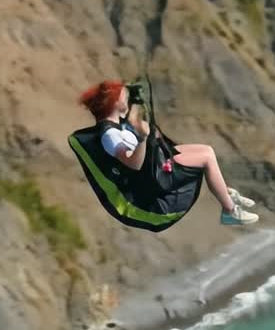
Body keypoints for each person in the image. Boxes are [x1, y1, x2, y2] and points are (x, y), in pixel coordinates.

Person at [78, 79, 259, 226]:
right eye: (124, 97)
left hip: (156, 162)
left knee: (207, 151)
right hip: (153, 176)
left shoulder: (120, 126)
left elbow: (142, 126)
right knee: (206, 159)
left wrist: (138, 105)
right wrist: (142, 138)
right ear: (114, 103)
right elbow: (133, 164)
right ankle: (229, 211)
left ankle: (225, 193)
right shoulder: (110, 135)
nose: (127, 99)